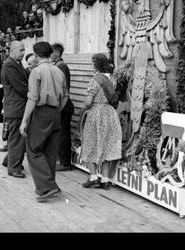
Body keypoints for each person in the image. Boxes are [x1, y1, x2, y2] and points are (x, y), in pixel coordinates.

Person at [19, 41, 68, 202]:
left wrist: (24, 121)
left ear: (37, 54)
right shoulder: (58, 70)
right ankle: (48, 187)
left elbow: (32, 98)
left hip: (42, 112)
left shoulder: (36, 71)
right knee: (50, 151)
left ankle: (47, 187)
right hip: (55, 112)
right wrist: (57, 110)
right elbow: (66, 96)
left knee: (33, 148)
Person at [80, 53, 122, 190]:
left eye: (92, 64)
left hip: (96, 114)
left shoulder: (95, 80)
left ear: (96, 65)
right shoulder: (113, 80)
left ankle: (93, 177)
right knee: (106, 145)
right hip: (110, 114)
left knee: (91, 143)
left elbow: (88, 102)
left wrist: (84, 106)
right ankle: (105, 180)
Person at [1, 41, 29, 178]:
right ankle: (14, 168)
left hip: (17, 107)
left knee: (15, 138)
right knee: (16, 139)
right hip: (16, 108)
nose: (23, 53)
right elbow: (21, 87)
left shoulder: (16, 64)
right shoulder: (10, 66)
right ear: (12, 51)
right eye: (21, 50)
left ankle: (9, 161)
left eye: (24, 50)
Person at [50, 43, 75, 171]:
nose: (50, 55)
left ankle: (65, 163)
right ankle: (61, 160)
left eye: (52, 52)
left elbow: (62, 88)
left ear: (57, 53)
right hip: (60, 105)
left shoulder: (61, 66)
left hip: (63, 106)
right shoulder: (57, 65)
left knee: (63, 134)